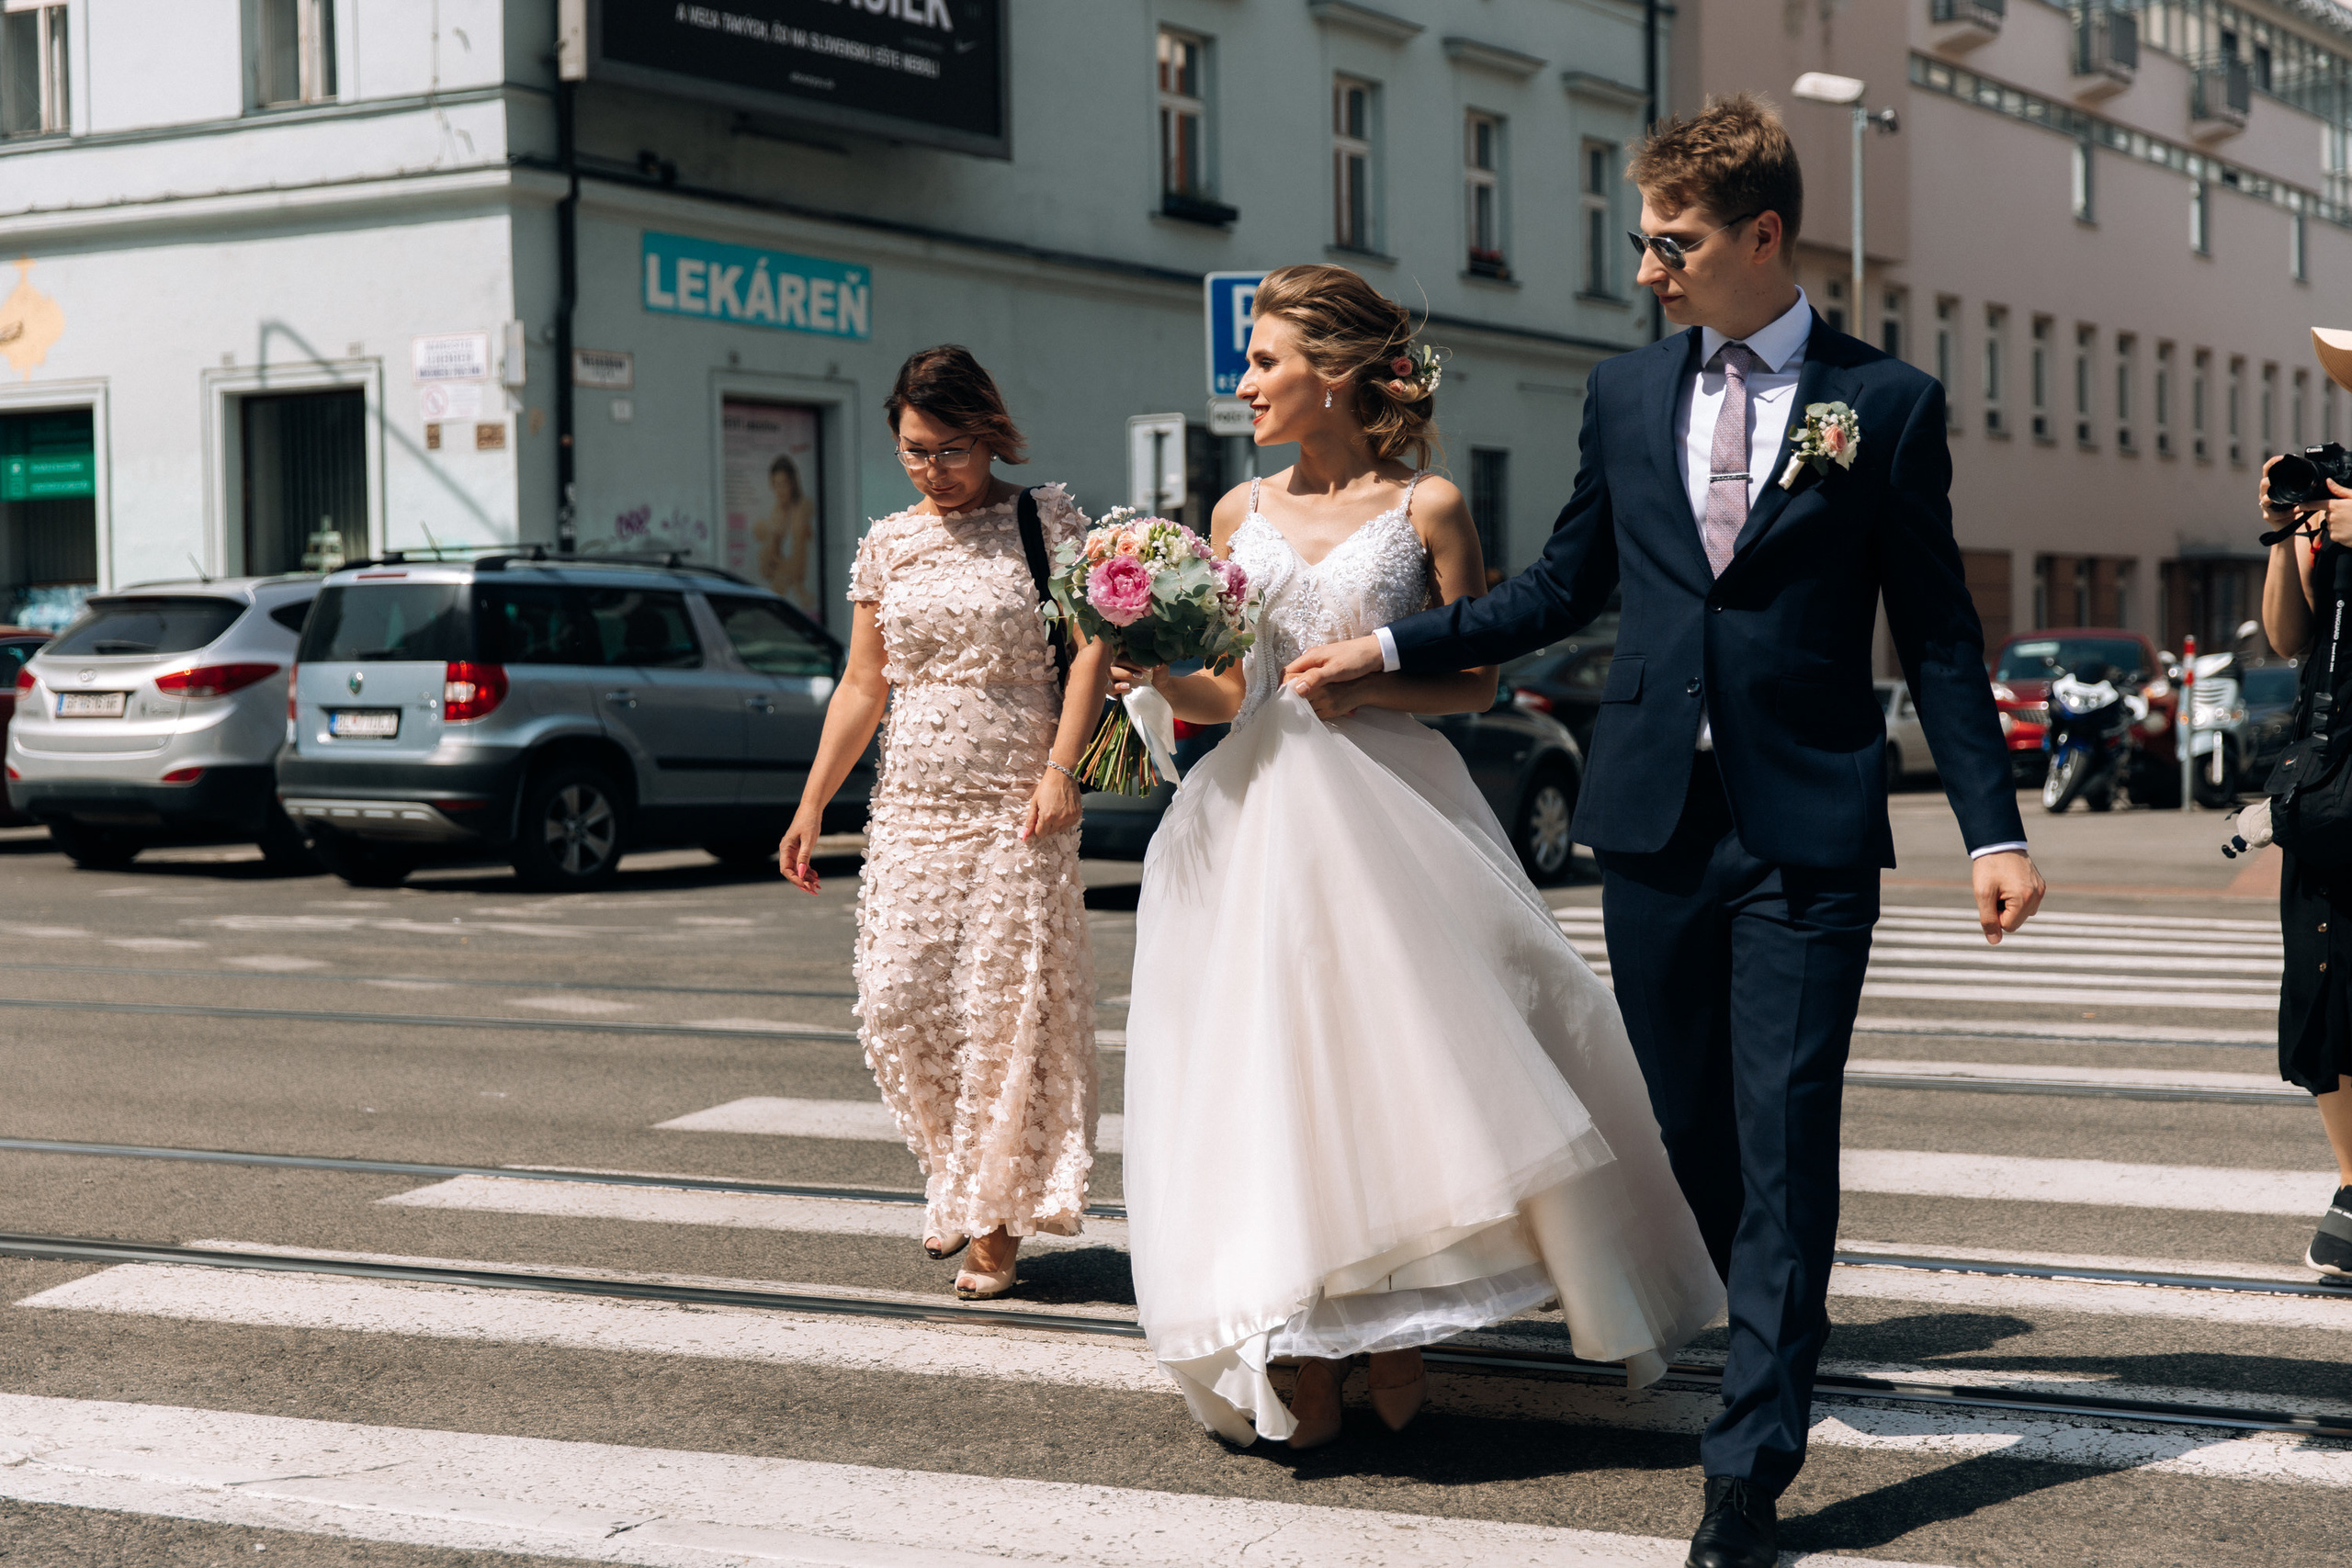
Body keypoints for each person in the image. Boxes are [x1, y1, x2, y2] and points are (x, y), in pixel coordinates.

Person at [1284, 96, 2045, 1568]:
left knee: (1784, 1137)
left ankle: (1749, 1459)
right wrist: (1386, 653)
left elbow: (1941, 635)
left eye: (1674, 241)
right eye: (1641, 239)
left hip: (1808, 832)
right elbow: (1559, 585)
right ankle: (1744, 1343)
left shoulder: (1882, 404)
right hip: (1649, 822)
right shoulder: (1627, 395)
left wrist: (1991, 829)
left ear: (1764, 236)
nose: (1649, 267)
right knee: (1688, 1133)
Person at [1114, 264, 1724, 1455]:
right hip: (1252, 817)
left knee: (1403, 1067)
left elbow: (1479, 673)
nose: (1242, 384)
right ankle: (1296, 1329)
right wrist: (1143, 657)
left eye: (1265, 361)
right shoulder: (1236, 516)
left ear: (1333, 374)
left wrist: (1369, 677)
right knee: (1271, 1074)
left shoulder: (1429, 504)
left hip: (1391, 803)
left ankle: (1401, 1317)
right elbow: (1224, 689)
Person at [778, 345, 1114, 1301]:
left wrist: (1061, 770)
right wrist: (810, 807)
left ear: (990, 433)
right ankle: (960, 1176)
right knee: (897, 1003)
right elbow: (861, 685)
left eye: (952, 448)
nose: (934, 468)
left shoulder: (1042, 520)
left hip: (1018, 802)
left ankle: (993, 1221)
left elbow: (1089, 654)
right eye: (915, 451)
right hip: (912, 805)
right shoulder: (888, 543)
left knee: (1001, 1017)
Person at [2255, 452, 2352, 1280]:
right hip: (2331, 786)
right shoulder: (2331, 499)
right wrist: (2289, 536)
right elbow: (2289, 634)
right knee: (2322, 987)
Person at [753, 451, 818, 612]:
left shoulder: (804, 508)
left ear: (792, 483)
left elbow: (799, 563)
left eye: (784, 484)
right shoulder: (775, 515)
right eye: (776, 485)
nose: (780, 490)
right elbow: (766, 569)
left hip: (802, 593)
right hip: (782, 593)